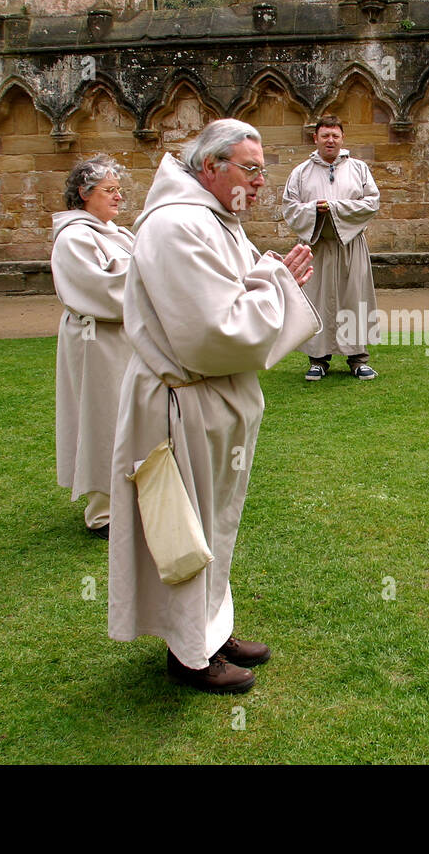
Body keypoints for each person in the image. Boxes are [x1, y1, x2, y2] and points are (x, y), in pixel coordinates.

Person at [109, 119, 320, 695]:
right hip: (185, 400)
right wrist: (277, 285)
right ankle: (188, 654)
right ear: (211, 168)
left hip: (215, 398)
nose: (258, 183)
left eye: (261, 170)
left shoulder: (213, 219)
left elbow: (231, 290)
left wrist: (270, 275)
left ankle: (211, 628)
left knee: (215, 524)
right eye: (249, 170)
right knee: (186, 528)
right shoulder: (176, 226)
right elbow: (211, 331)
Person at [51, 154, 135, 539]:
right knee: (102, 418)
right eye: (110, 190)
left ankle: (132, 496)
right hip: (95, 341)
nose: (118, 197)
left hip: (123, 341)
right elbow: (100, 290)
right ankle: (103, 511)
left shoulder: (114, 232)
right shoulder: (73, 238)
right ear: (85, 193)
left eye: (119, 190)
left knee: (129, 417)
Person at [281, 114, 381, 381]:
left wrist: (336, 208)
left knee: (354, 297)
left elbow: (372, 202)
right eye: (325, 135)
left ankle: (358, 359)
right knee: (317, 299)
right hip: (317, 245)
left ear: (342, 138)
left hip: (350, 244)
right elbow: (290, 207)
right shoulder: (301, 172)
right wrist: (314, 209)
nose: (330, 140)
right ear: (315, 138)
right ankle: (318, 359)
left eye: (335, 135)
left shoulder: (358, 169)